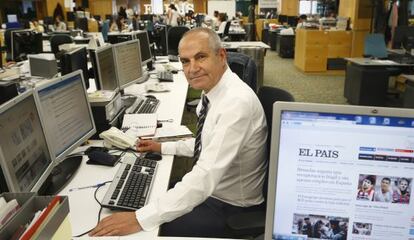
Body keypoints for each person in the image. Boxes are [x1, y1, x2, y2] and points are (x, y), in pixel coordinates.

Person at [89, 27, 267, 238]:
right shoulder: (215, 89)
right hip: (215, 192)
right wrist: (162, 146)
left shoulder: (236, 103)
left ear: (221, 56)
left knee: (145, 231)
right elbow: (206, 142)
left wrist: (140, 218)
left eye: (200, 57)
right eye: (185, 61)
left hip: (232, 208)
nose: (192, 69)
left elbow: (205, 176)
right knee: (152, 195)